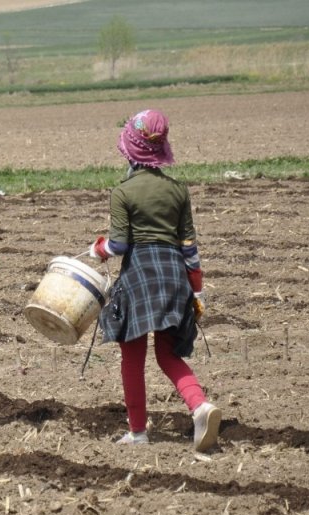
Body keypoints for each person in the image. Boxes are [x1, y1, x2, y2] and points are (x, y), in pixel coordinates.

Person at [88, 109, 221, 451]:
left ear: (130, 148)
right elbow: (189, 248)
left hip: (140, 280)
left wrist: (97, 249)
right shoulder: (178, 191)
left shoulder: (124, 192)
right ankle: (200, 406)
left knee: (132, 358)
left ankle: (137, 432)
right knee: (168, 355)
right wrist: (196, 291)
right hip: (175, 278)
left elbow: (119, 245)